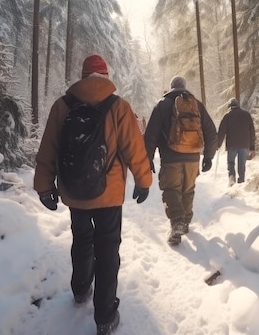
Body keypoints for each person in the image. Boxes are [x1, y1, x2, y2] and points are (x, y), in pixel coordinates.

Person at [34, 54, 152, 335]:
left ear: (83, 75)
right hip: (108, 194)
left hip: (75, 193)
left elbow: (48, 147)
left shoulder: (62, 106)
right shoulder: (119, 106)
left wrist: (44, 186)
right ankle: (105, 316)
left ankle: (80, 289)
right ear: (106, 75)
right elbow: (133, 148)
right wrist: (143, 180)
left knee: (82, 239)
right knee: (108, 248)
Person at [144, 75, 218, 245]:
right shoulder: (196, 104)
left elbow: (150, 136)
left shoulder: (162, 105)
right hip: (193, 158)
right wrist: (208, 157)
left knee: (171, 190)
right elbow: (212, 133)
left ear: (170, 88)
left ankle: (177, 221)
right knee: (188, 190)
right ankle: (185, 222)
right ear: (184, 87)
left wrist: (147, 159)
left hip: (170, 159)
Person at [217, 98, 256, 186]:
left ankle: (232, 179)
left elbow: (221, 132)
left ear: (230, 107)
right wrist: (252, 147)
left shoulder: (227, 116)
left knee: (231, 162)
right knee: (241, 164)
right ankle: (241, 182)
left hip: (232, 145)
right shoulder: (246, 115)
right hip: (244, 144)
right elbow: (252, 132)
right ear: (238, 105)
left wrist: (217, 145)